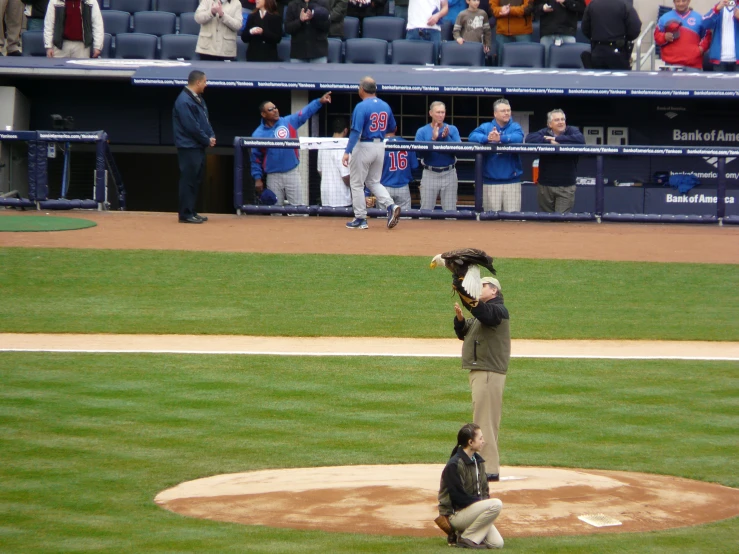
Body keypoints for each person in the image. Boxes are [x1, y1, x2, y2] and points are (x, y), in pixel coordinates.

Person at [452, 275, 511, 485]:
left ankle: (487, 470)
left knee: (484, 421)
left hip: (488, 372)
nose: (479, 289)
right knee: (484, 419)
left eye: (483, 286)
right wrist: (459, 319)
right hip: (482, 371)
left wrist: (463, 292)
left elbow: (482, 312)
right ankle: (486, 468)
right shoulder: (484, 314)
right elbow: (465, 332)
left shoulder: (497, 311)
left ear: (494, 290)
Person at [251, 92, 332, 206]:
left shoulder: (288, 122)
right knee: (275, 211)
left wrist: (319, 102)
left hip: (291, 173)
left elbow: (305, 113)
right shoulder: (258, 134)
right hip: (273, 176)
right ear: (263, 114)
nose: (275, 110)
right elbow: (256, 159)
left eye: (275, 108)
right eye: (271, 109)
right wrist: (257, 178)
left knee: (298, 209)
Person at [342, 76, 401, 230]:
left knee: (356, 184)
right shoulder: (385, 105)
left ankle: (360, 218)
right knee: (373, 181)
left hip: (364, 145)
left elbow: (356, 131)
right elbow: (392, 128)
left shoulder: (361, 106)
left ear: (362, 89)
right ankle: (390, 205)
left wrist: (347, 151)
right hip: (380, 146)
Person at [437, 423, 504, 549]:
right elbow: (458, 498)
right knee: (496, 504)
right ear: (470, 442)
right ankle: (465, 538)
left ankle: (463, 535)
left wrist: (481, 504)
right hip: (456, 515)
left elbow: (484, 491)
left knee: (497, 544)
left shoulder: (478, 462)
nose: (483, 441)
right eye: (480, 438)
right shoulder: (454, 464)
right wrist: (481, 504)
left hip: (472, 512)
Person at [172, 70, 216, 224]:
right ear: (198, 82)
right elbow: (192, 127)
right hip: (189, 147)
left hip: (197, 146)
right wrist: (206, 139)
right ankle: (185, 214)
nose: (206, 84)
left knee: (195, 180)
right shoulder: (184, 100)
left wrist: (211, 136)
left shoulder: (197, 99)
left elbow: (205, 120)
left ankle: (191, 211)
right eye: (205, 81)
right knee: (188, 180)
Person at [468, 98, 524, 212]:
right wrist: (487, 138)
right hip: (491, 182)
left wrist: (501, 139)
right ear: (495, 113)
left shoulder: (515, 127)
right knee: (491, 222)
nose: (507, 113)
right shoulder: (486, 127)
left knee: (512, 220)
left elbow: (519, 137)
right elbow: (472, 136)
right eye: (503, 111)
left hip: (512, 181)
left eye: (508, 110)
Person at [525, 109, 585, 214]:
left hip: (566, 186)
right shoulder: (544, 132)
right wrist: (547, 141)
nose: (561, 122)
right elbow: (529, 138)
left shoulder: (571, 130)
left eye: (562, 119)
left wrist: (558, 140)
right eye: (557, 120)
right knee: (546, 221)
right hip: (545, 186)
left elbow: (580, 139)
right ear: (549, 124)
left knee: (561, 221)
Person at [415, 101, 461, 212]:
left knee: (451, 212)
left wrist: (446, 138)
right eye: (438, 112)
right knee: (425, 211)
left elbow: (459, 150)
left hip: (449, 173)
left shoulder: (452, 129)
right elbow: (418, 153)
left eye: (443, 112)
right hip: (430, 173)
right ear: (430, 113)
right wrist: (433, 140)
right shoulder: (422, 131)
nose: (441, 115)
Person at [581, 0, 641, 70]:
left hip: (598, 49)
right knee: (620, 79)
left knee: (597, 79)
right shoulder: (624, 5)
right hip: (618, 50)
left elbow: (585, 28)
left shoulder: (592, 5)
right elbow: (635, 28)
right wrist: (626, 39)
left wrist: (595, 37)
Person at [654, 0, 711, 71]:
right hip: (671, 64)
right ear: (674, 2)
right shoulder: (664, 18)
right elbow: (656, 36)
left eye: (683, 1)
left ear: (689, 1)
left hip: (693, 65)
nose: (681, 4)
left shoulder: (699, 18)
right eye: (678, 1)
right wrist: (664, 37)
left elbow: (707, 35)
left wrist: (701, 49)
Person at [535, 0, 585, 65]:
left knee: (570, 64)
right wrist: (542, 8)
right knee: (546, 65)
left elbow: (582, 8)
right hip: (547, 33)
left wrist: (566, 2)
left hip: (567, 32)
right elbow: (534, 9)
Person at [317, 117, 352, 208]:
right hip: (341, 197)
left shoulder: (323, 145)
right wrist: (356, 187)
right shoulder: (345, 147)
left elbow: (320, 171)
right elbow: (346, 176)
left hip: (325, 195)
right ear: (345, 130)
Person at [380, 130, 419, 211]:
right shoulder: (407, 143)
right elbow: (415, 167)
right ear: (396, 128)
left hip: (384, 188)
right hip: (403, 187)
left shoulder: (379, 145)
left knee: (383, 218)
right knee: (405, 219)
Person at [702, 0, 739, 72]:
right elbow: (705, 24)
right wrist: (716, 10)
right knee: (720, 83)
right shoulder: (717, 8)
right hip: (719, 60)